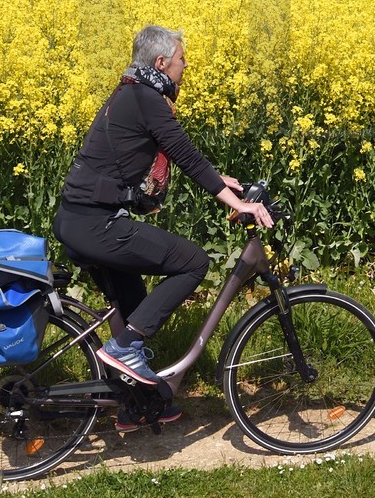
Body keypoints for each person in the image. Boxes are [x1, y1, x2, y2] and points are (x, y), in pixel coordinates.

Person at [54, 25, 272, 425]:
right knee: (192, 261)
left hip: (79, 219)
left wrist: (218, 180)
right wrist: (237, 202)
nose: (185, 66)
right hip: (95, 224)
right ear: (161, 63)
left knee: (135, 305)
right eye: (181, 59)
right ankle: (124, 351)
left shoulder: (131, 91)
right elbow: (185, 155)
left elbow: (170, 155)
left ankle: (137, 405)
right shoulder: (146, 98)